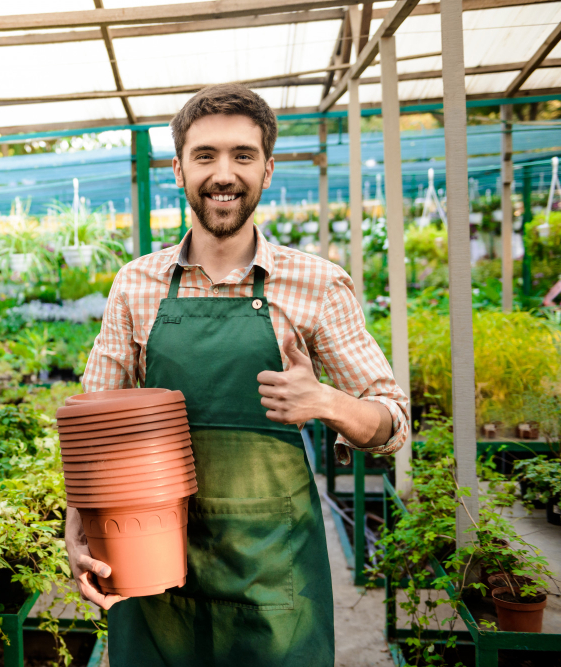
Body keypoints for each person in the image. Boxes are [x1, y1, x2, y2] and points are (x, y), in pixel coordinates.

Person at [67, 83, 409, 666]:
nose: (223, 174)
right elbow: (92, 430)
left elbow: (392, 422)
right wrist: (76, 525)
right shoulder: (136, 284)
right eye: (205, 155)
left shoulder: (317, 285)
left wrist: (326, 402)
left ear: (267, 170)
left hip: (273, 573)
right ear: (178, 170)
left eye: (242, 155)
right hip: (151, 561)